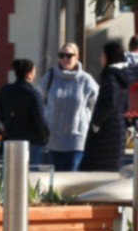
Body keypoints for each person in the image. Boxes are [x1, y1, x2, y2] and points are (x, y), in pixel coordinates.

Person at [42, 43, 100, 172]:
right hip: (54, 138)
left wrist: (89, 122)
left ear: (77, 57)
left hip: (77, 138)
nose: (65, 59)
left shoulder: (86, 80)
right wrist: (45, 120)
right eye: (61, 55)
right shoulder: (50, 76)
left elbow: (96, 104)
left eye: (69, 55)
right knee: (56, 178)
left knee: (70, 175)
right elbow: (39, 99)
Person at [82, 42, 133, 171]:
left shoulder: (110, 76)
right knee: (112, 168)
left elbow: (111, 102)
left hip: (106, 131)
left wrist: (96, 123)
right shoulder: (123, 75)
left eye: (102, 55)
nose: (100, 58)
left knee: (94, 168)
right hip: (117, 128)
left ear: (109, 56)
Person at [0, 58, 51, 165]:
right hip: (32, 140)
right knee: (31, 171)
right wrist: (46, 134)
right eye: (34, 71)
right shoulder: (33, 94)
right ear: (29, 74)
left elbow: (1, 115)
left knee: (12, 171)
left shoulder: (5, 90)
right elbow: (39, 119)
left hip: (11, 137)